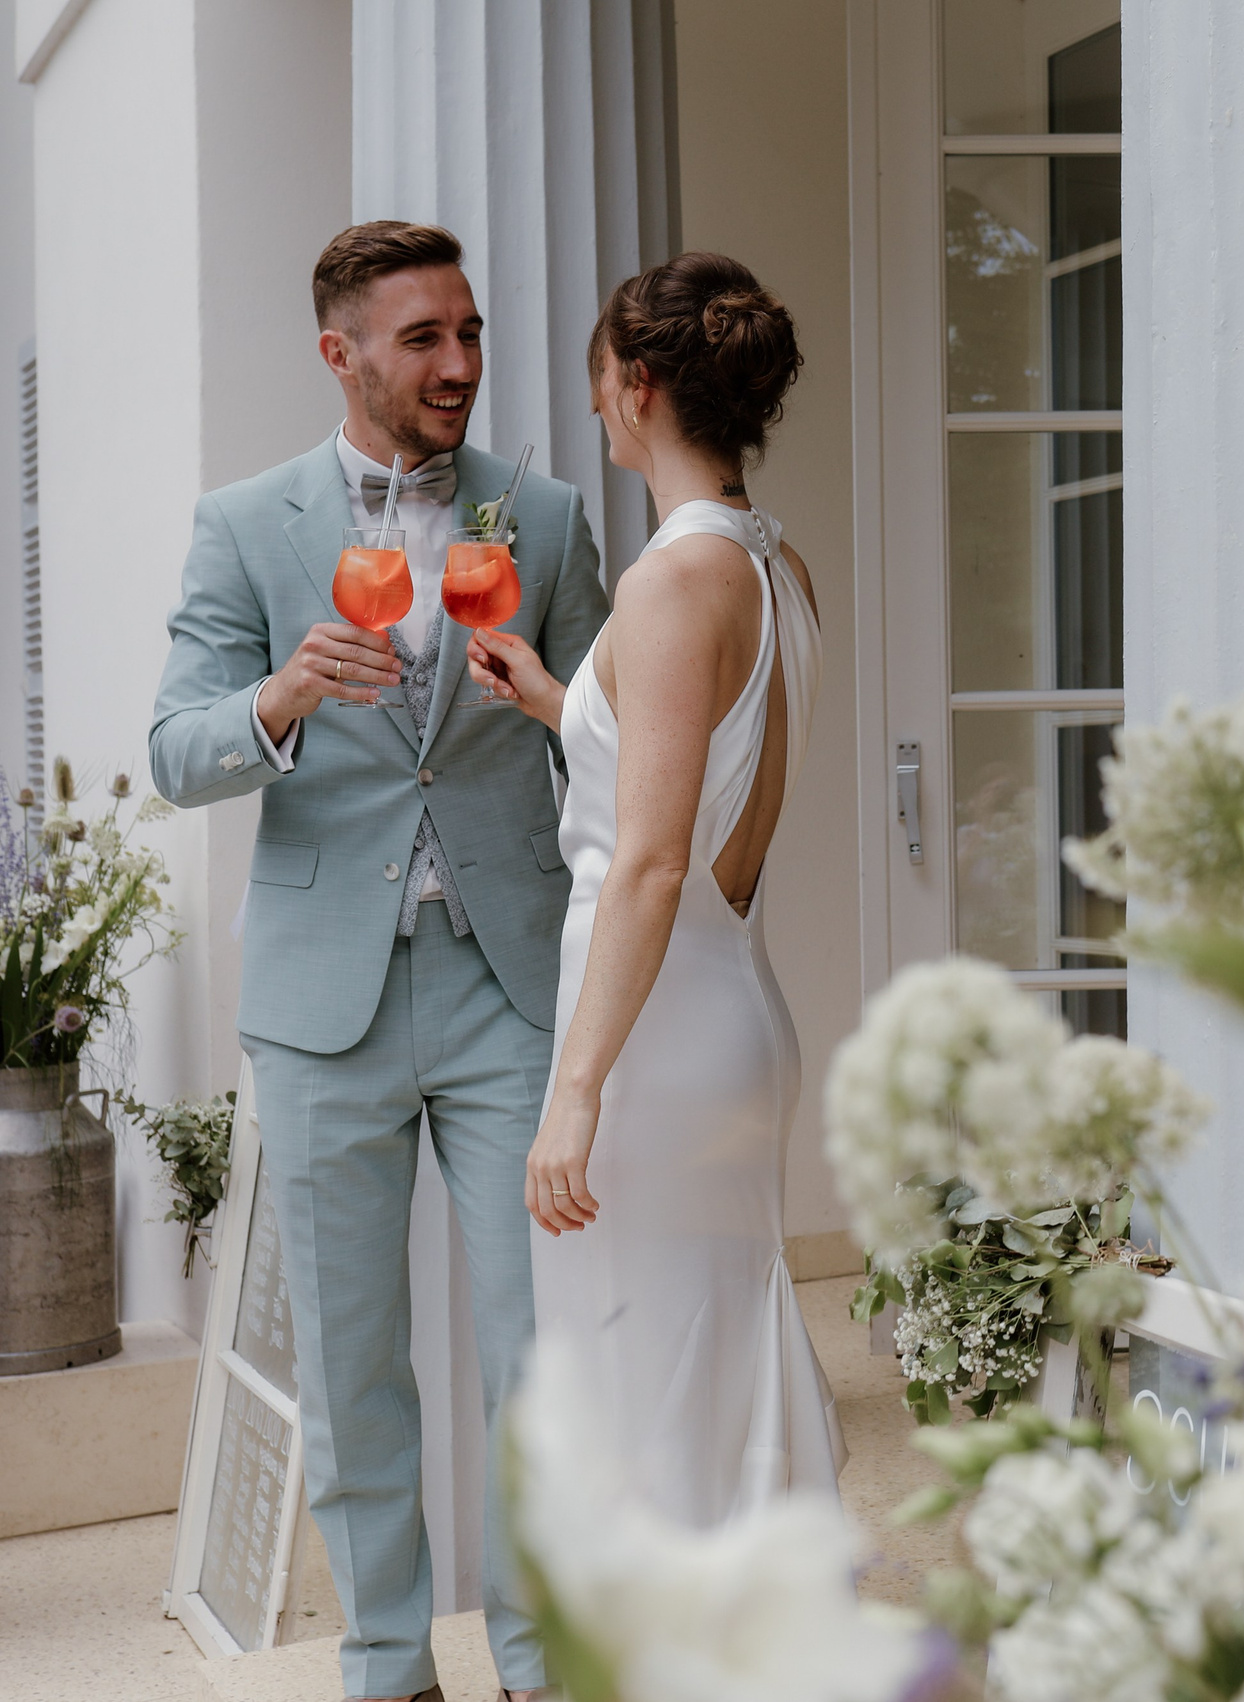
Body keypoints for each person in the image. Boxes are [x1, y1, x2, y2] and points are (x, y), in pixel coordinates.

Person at [150, 221, 608, 1702]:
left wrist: (547, 704)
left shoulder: (538, 512)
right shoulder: (244, 522)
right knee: (355, 1367)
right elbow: (174, 750)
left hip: (508, 980)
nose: (461, 364)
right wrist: (280, 694)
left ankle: (539, 1664)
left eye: (469, 332)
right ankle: (388, 1667)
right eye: (425, 339)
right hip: (321, 995)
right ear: (340, 351)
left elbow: (611, 739)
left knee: (540, 1349)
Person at [466, 251, 842, 1527]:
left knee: (649, 1415)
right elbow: (691, 774)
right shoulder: (773, 566)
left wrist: (573, 1092)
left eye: (595, 384)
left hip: (656, 1046)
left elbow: (653, 855)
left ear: (635, 385)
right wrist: (557, 702)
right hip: (720, 1007)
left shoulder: (673, 580)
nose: (589, 411)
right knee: (703, 1381)